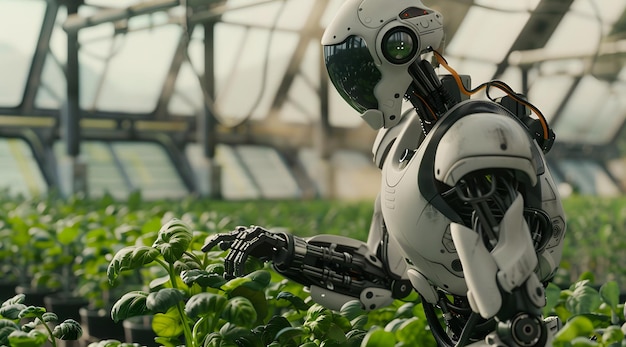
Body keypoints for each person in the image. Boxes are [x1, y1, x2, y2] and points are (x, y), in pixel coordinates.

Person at [203, 1, 567, 346]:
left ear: (397, 45)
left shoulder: (472, 133)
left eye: (359, 66)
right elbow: (378, 277)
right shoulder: (403, 150)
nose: (355, 83)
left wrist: (519, 324)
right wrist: (285, 250)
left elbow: (517, 260)